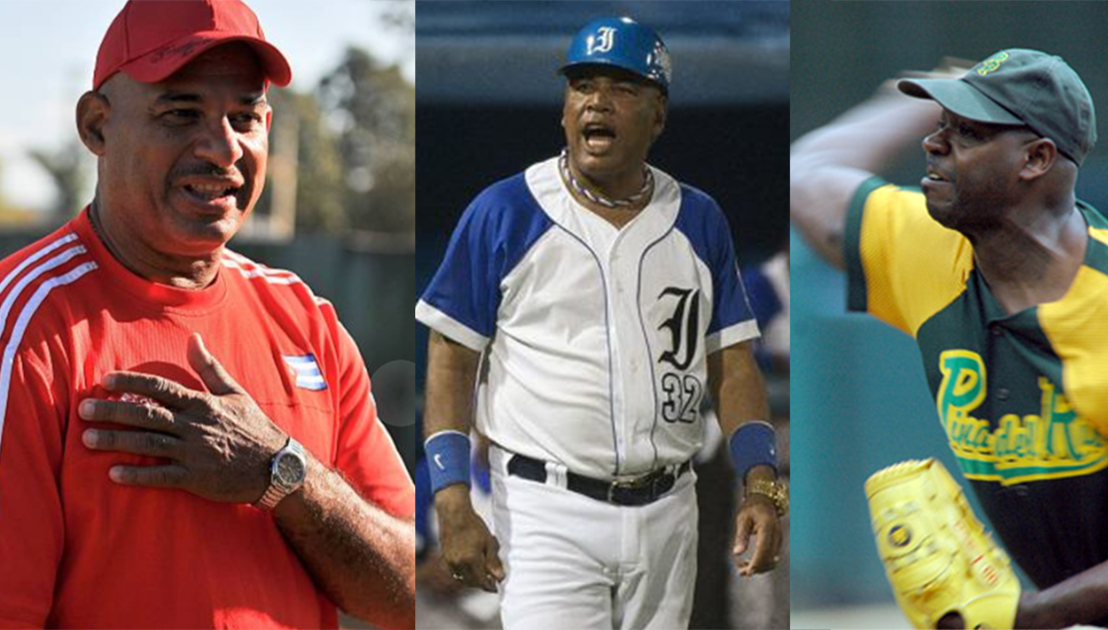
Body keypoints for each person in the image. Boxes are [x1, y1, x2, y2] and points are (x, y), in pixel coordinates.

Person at [0, 1, 415, 628]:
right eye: (181, 113)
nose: (223, 148)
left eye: (245, 117)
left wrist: (282, 475)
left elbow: (410, 593)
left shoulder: (306, 321)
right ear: (97, 126)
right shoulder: (24, 323)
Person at [791, 48, 1108, 629]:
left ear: (1035, 159)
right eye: (940, 126)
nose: (935, 144)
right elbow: (807, 172)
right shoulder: (929, 251)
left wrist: (1039, 613)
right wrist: (929, 92)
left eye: (968, 133)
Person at [417, 16, 787, 630]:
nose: (596, 101)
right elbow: (450, 356)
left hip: (671, 505)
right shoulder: (505, 211)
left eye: (622, 88)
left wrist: (761, 483)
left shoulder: (698, 219)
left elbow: (732, 361)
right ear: (565, 108)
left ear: (658, 114)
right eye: (582, 85)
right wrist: (452, 495)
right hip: (546, 508)